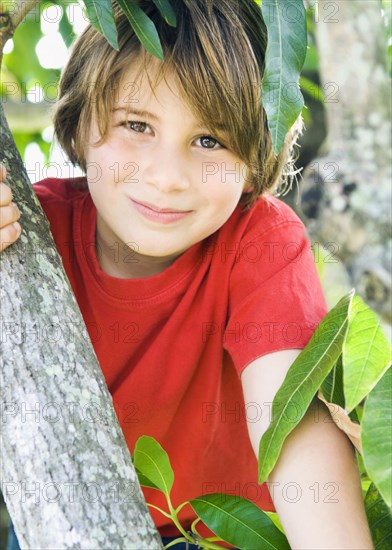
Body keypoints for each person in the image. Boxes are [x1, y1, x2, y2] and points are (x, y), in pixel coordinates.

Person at [1, 1, 374, 548]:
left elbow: (290, 423)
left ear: (253, 160)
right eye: (136, 125)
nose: (167, 177)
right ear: (80, 122)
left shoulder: (259, 241)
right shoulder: (33, 232)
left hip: (230, 538)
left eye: (209, 141)